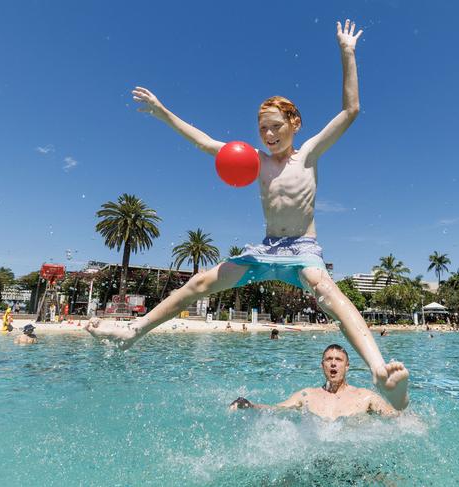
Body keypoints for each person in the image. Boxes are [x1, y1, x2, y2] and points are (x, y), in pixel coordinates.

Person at [86, 19, 409, 410]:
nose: (268, 135)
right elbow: (206, 143)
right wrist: (162, 112)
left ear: (294, 123)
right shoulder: (255, 160)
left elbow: (351, 110)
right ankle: (135, 330)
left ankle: (377, 369)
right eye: (262, 129)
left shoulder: (307, 154)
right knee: (202, 281)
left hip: (303, 249)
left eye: (275, 127)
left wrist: (347, 53)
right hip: (266, 248)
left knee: (325, 290)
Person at [230, 344, 407, 418]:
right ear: (322, 365)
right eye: (328, 359)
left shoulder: (365, 397)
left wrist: (398, 395)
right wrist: (250, 405)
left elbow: (396, 417)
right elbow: (277, 409)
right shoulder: (306, 395)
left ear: (347, 366)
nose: (333, 363)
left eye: (338, 360)